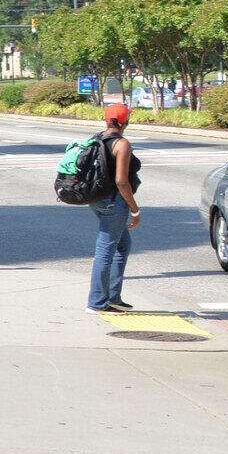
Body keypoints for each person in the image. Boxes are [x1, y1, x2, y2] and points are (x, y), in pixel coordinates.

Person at [88, 101, 143, 314]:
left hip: (96, 200)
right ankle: (97, 303)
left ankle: (113, 296)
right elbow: (122, 181)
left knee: (122, 245)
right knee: (106, 251)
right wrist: (134, 210)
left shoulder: (96, 138)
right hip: (114, 202)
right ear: (125, 121)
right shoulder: (122, 144)